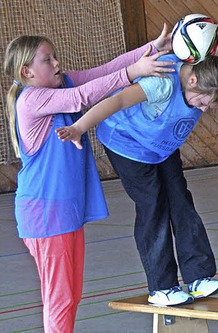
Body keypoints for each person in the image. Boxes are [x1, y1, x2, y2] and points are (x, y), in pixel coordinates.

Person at [55, 48, 218, 306]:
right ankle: (162, 287)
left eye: (210, 107)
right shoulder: (162, 82)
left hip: (161, 145)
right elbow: (118, 101)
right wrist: (79, 127)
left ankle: (198, 277)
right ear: (192, 81)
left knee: (181, 202)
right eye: (204, 103)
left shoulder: (206, 82)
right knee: (153, 207)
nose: (204, 110)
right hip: (127, 144)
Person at [3, 26, 173, 332]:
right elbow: (82, 97)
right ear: (27, 71)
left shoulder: (59, 84)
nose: (56, 63)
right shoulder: (31, 100)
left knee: (71, 296)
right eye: (47, 60)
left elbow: (105, 71)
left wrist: (151, 48)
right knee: (61, 299)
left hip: (64, 212)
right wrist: (136, 71)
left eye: (54, 56)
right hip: (45, 214)